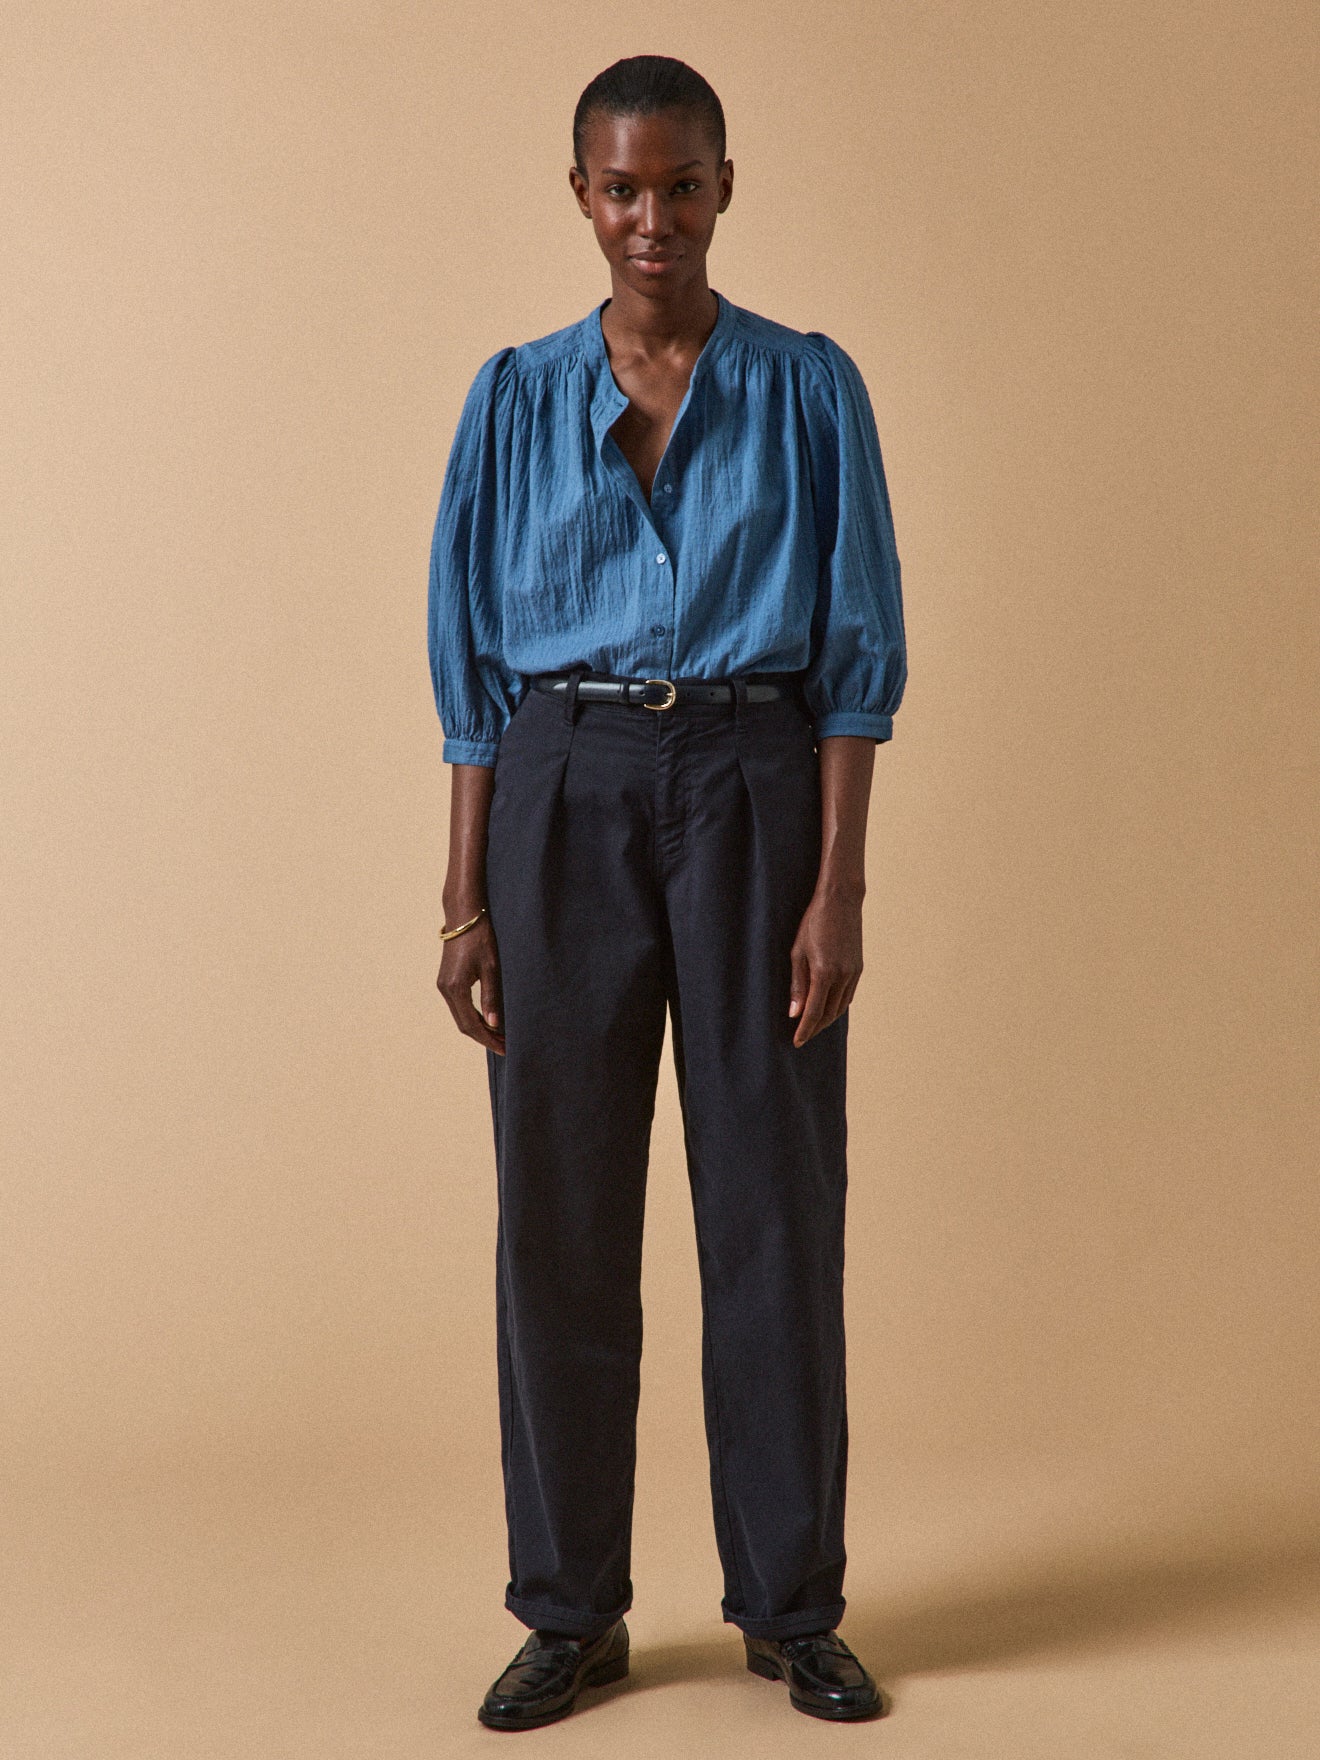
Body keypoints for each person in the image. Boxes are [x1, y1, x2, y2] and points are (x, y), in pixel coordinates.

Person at [428, 55, 907, 1731]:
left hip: (756, 781)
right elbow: (471, 675)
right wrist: (464, 898)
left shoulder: (808, 388)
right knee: (557, 1210)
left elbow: (858, 657)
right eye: (622, 188)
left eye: (681, 184)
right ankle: (569, 1610)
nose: (653, 218)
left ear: (724, 186)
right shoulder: (511, 399)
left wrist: (840, 886)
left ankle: (791, 1607)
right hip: (560, 787)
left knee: (775, 1200)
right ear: (582, 195)